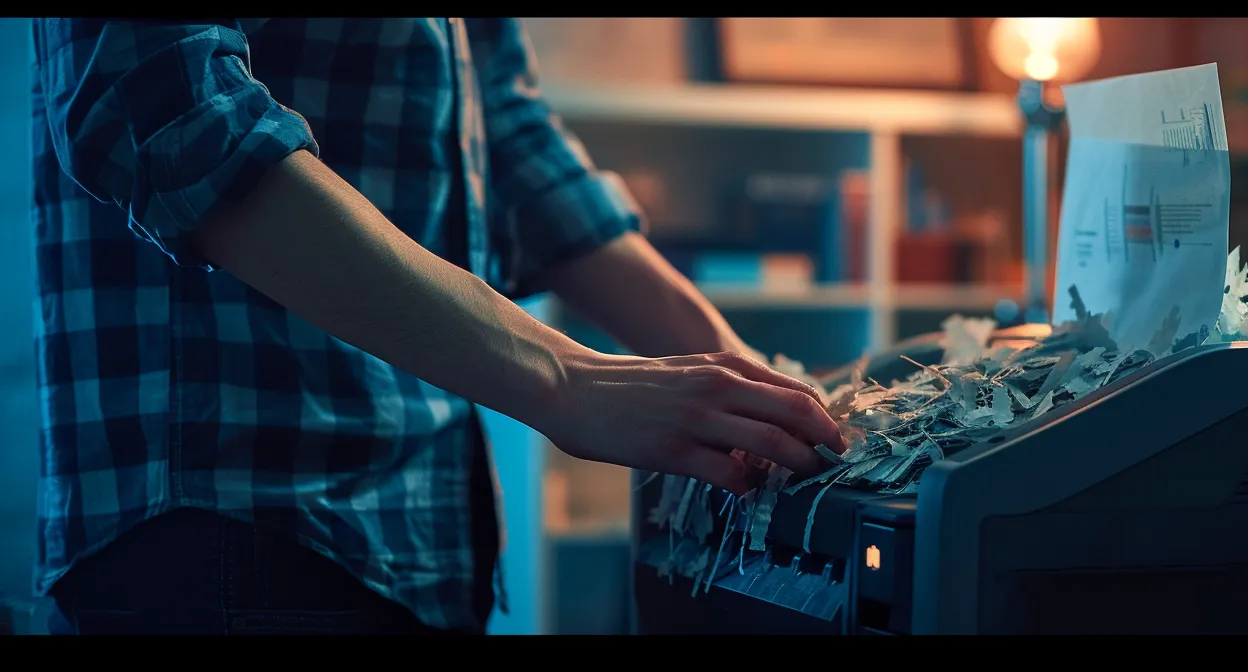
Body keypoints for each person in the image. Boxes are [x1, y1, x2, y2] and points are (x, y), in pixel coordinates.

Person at [30, 18, 845, 635]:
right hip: (226, 517)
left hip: (422, 530)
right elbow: (168, 105)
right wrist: (569, 379)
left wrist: (744, 374)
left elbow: (506, 131)